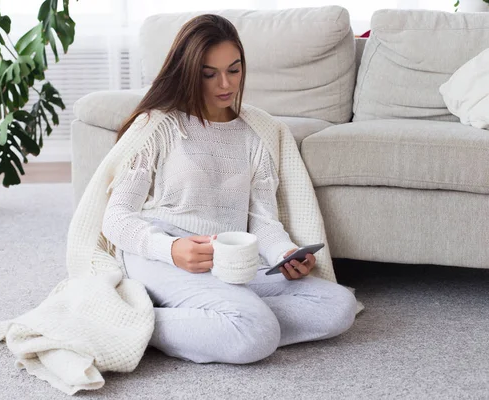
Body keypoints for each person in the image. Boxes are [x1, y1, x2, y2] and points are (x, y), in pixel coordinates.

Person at [102, 14, 357, 365]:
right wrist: (171, 249)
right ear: (189, 72)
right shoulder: (158, 126)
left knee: (338, 306)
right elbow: (115, 219)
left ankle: (222, 321)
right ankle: (132, 322)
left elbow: (263, 222)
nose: (226, 84)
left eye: (234, 70)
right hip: (161, 254)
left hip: (229, 258)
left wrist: (285, 253)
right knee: (255, 333)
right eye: (210, 74)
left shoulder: (255, 135)